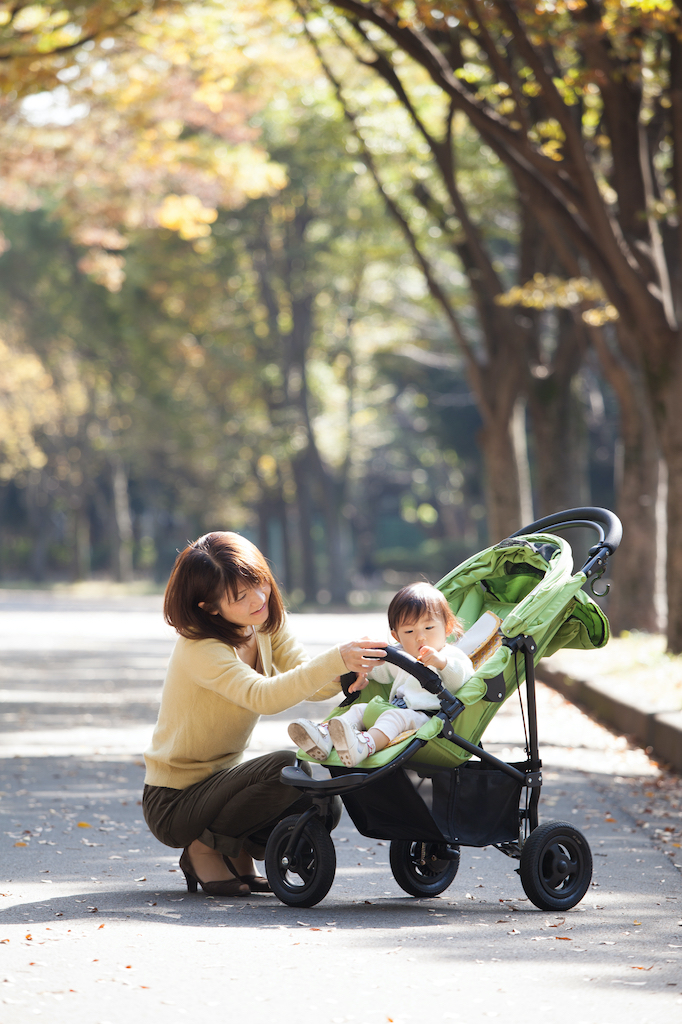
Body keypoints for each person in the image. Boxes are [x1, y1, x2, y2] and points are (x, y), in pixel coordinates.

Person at [142, 531, 386, 897]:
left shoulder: (264, 622)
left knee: (320, 802)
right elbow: (263, 697)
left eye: (259, 582)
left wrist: (348, 673)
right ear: (209, 607)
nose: (259, 599)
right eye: (241, 596)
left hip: (223, 784)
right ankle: (202, 848)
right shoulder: (201, 648)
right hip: (175, 799)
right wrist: (335, 657)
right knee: (282, 766)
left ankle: (234, 848)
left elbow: (311, 682)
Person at [288, 582, 473, 768]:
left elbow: (461, 680)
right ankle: (325, 738)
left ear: (448, 628)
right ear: (396, 636)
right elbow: (378, 670)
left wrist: (442, 663)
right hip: (394, 708)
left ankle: (364, 746)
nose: (420, 637)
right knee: (359, 709)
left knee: (394, 718)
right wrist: (359, 671)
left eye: (429, 628)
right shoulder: (404, 656)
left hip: (427, 718)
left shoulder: (452, 655)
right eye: (409, 631)